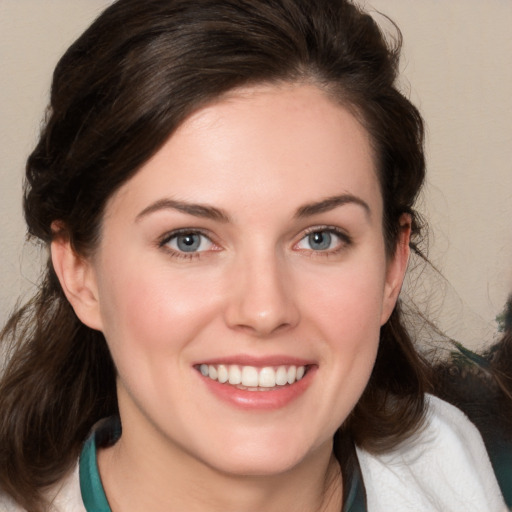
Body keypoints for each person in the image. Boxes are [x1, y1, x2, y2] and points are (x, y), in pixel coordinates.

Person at [0, 0, 509, 510]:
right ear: (78, 272)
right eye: (188, 240)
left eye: (320, 238)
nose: (265, 311)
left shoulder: (445, 460)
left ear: (391, 269)